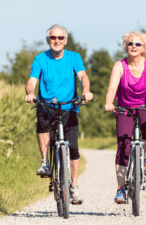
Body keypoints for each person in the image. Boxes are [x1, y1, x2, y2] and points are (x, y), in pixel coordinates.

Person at [24, 24, 93, 204]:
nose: (57, 41)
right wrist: (30, 93)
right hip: (46, 105)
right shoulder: (40, 58)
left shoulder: (74, 57)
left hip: (69, 106)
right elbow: (32, 81)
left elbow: (83, 76)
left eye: (60, 38)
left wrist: (86, 91)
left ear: (65, 40)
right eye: (53, 38)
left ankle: (74, 186)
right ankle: (45, 162)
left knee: (73, 147)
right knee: (42, 123)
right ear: (48, 40)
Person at [104, 31, 146, 204]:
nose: (133, 46)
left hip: (145, 107)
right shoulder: (119, 65)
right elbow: (112, 87)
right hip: (124, 108)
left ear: (143, 48)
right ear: (126, 46)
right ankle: (121, 189)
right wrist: (109, 102)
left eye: (137, 44)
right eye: (130, 43)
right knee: (123, 145)